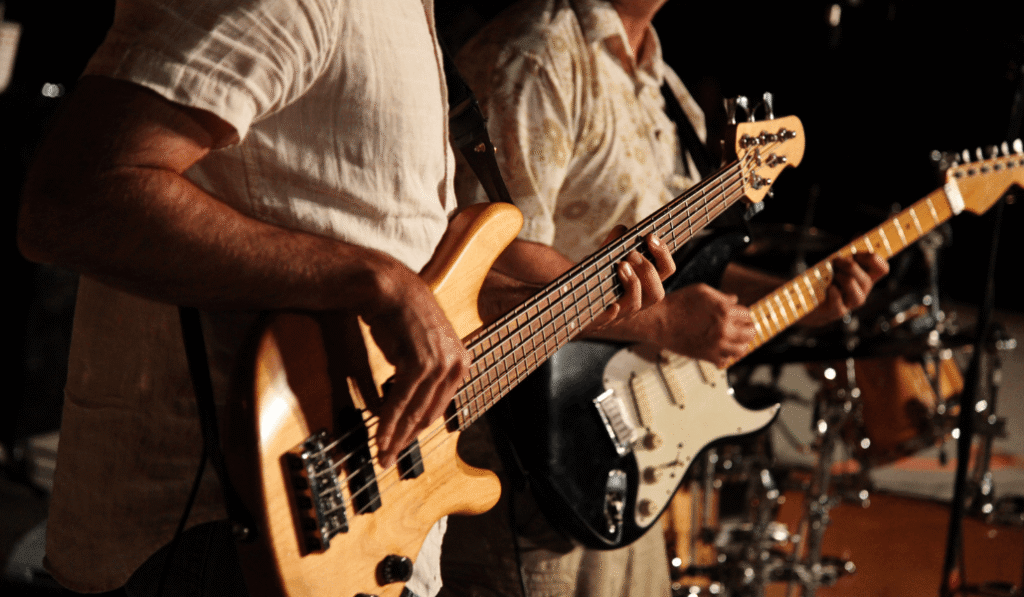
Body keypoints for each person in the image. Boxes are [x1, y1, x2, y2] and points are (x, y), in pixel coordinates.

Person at [15, 0, 676, 595]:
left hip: (358, 528)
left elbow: (378, 238)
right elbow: (72, 199)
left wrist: (552, 292)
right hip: (223, 533)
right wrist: (370, 281)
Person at [438, 0, 889, 596]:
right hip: (532, 453)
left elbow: (686, 279)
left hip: (629, 452)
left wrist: (806, 299)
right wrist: (660, 322)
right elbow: (494, 257)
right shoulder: (537, 53)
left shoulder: (664, 84)